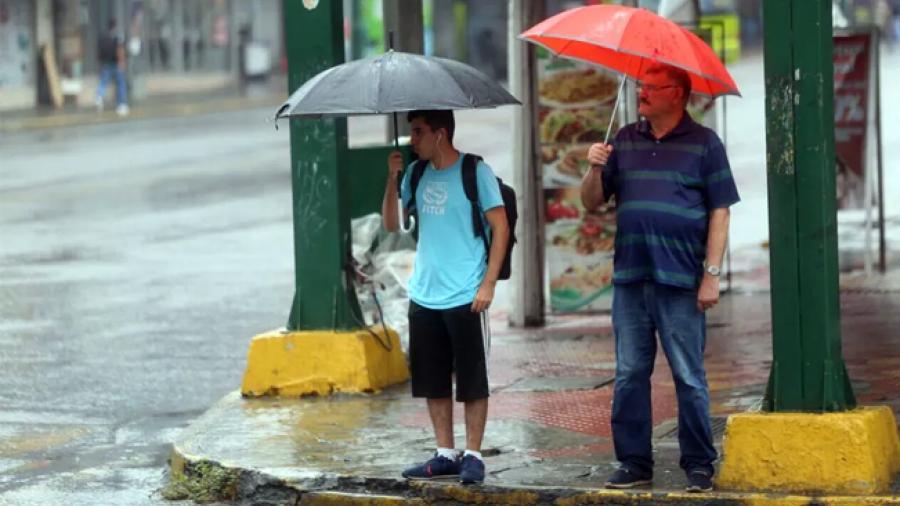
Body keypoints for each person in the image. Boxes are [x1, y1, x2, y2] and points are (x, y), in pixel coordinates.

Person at [580, 64, 740, 493]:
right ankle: (634, 462)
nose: (642, 94)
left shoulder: (705, 143)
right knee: (630, 373)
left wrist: (711, 276)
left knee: (689, 375)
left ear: (678, 95)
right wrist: (594, 168)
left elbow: (720, 211)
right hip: (631, 279)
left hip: (681, 280)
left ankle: (699, 463)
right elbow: (592, 203)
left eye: (652, 88)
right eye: (641, 87)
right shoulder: (624, 140)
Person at [381, 110, 509, 485]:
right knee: (432, 379)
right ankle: (444, 453)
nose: (412, 139)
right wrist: (392, 180)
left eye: (418, 132)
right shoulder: (414, 174)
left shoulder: (475, 172)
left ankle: (473, 455)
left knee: (471, 379)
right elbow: (392, 224)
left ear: (440, 134)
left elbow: (500, 227)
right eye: (410, 132)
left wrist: (489, 284)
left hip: (466, 292)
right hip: (424, 293)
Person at [95, 18, 130, 116]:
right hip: (116, 63)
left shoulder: (103, 36)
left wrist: (100, 62)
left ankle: (99, 96)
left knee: (103, 82)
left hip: (106, 63)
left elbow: (99, 52)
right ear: (115, 26)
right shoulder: (118, 36)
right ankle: (121, 104)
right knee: (120, 83)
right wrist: (122, 62)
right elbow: (120, 49)